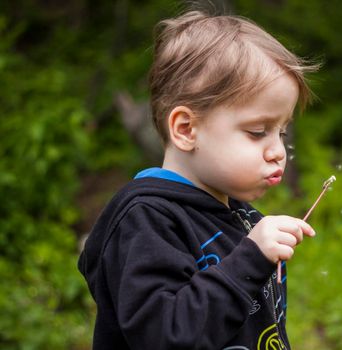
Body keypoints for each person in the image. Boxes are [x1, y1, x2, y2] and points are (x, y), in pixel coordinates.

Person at [78, 9, 319, 350]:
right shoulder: (146, 222)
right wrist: (250, 259)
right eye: (257, 132)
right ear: (187, 129)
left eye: (280, 132)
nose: (278, 150)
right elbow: (164, 337)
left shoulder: (241, 215)